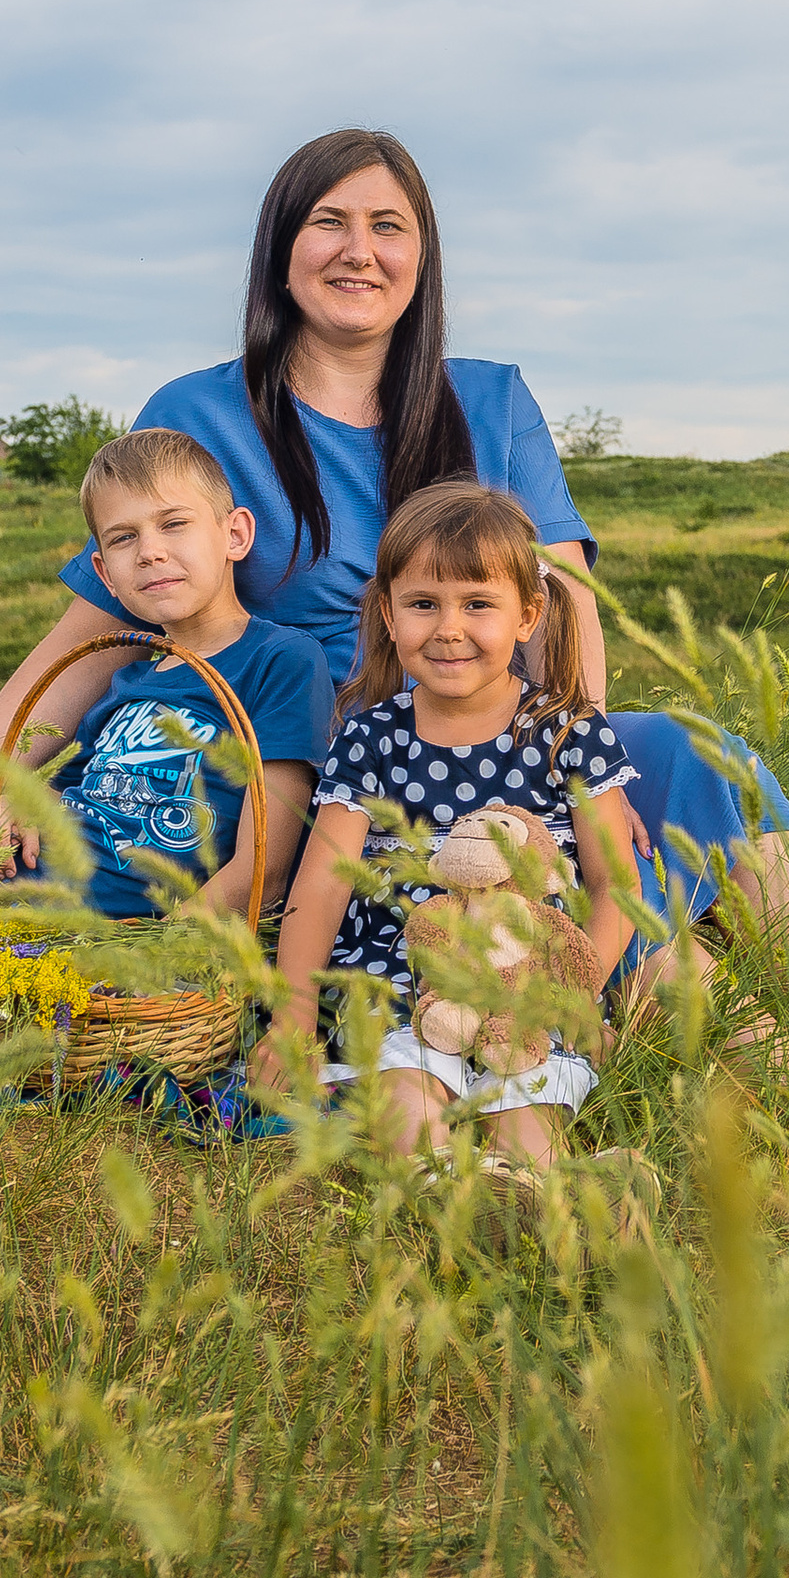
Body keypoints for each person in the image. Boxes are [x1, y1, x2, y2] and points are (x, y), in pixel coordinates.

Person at [0, 127, 789, 1139]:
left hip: (513, 736)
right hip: (350, 770)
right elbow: (99, 620)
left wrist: (563, 766)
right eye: (328, 222)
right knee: (647, 937)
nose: (359, 250)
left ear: (422, 256)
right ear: (279, 248)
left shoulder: (489, 398)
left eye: (389, 226)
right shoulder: (200, 413)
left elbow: (563, 605)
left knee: (708, 762)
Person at [264, 483, 638, 1168]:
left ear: (528, 615)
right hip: (394, 970)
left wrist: (575, 995)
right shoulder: (370, 737)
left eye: (478, 604)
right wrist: (291, 1011)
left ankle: (535, 1201)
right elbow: (320, 886)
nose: (448, 628)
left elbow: (617, 886)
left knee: (526, 1114)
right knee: (408, 1099)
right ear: (388, 612)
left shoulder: (568, 734)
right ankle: (439, 1189)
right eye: (423, 604)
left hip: (530, 979)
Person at [30, 429, 336, 918]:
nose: (149, 552)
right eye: (124, 538)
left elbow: (265, 867)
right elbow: (65, 793)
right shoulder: (127, 683)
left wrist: (162, 953)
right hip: (18, 900)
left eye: (173, 524)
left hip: (117, 934)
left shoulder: (280, 660)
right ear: (106, 574)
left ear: (234, 535)